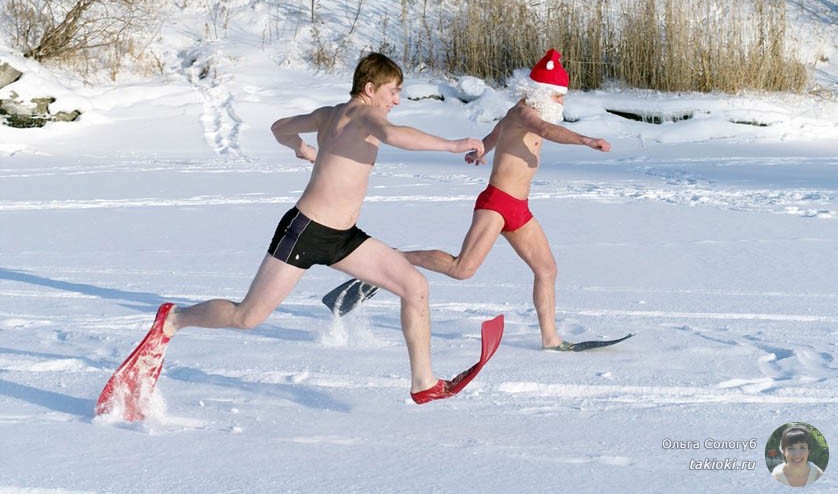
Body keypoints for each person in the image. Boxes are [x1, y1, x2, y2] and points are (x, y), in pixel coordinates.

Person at [134, 52, 485, 404]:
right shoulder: (366, 114)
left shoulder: (329, 115)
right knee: (247, 317)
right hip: (305, 232)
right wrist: (452, 145)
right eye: (393, 91)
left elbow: (279, 128)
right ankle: (174, 319)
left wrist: (302, 147)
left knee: (414, 286)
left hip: (343, 237)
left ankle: (423, 382)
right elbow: (394, 135)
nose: (396, 100)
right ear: (369, 88)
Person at [403, 49, 611, 350]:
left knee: (547, 269)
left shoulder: (523, 115)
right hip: (496, 204)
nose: (562, 103)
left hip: (519, 209)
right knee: (463, 269)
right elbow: (545, 130)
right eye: (558, 97)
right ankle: (396, 258)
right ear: (541, 93)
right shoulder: (525, 114)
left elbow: (496, 132)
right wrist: (586, 140)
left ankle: (551, 339)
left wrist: (483, 150)